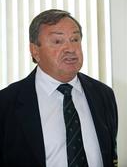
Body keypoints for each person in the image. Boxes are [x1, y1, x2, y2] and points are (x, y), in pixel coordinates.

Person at [0, 9, 118, 167]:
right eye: (57, 41)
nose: (70, 49)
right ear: (35, 50)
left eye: (75, 39)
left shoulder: (103, 94)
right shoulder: (6, 102)